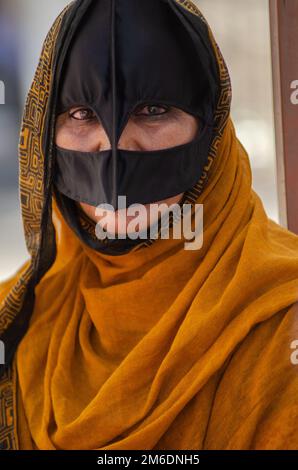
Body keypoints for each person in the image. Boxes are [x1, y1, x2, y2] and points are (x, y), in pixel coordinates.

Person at [0, 0, 297, 450]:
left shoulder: (282, 319)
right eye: (82, 114)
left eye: (154, 109)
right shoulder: (17, 321)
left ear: (210, 130)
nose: (115, 148)